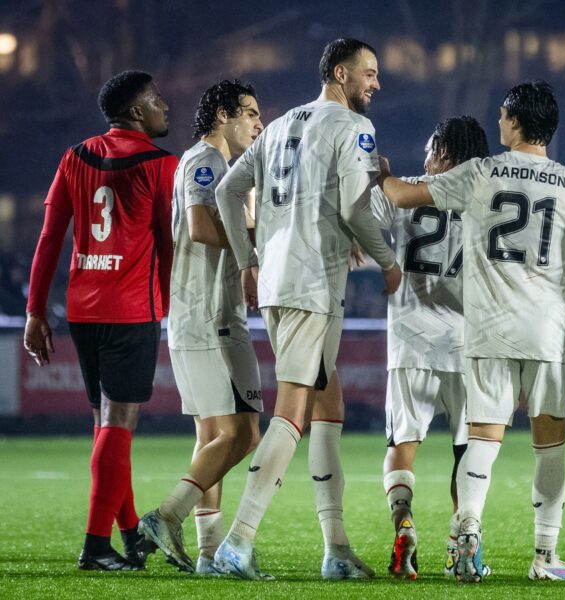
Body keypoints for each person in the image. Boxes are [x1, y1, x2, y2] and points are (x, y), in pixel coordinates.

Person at [380, 80, 565, 583]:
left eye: (503, 114)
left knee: (481, 440)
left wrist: (382, 175)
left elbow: (406, 194)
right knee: (550, 445)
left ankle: (467, 534)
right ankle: (545, 556)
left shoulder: (481, 172)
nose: (497, 121)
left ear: (518, 121)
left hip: (486, 333)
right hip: (547, 332)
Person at [212, 38, 402, 580]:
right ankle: (238, 542)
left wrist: (249, 260)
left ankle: (336, 547)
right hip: (311, 284)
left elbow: (230, 192)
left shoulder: (278, 126)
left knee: (328, 405)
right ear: (340, 74)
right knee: (292, 410)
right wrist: (388, 261)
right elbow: (356, 207)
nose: (376, 83)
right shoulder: (352, 128)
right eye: (369, 72)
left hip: (278, 278)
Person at [23, 70, 177, 570]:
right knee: (119, 424)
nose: (164, 106)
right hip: (131, 309)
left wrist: (34, 311)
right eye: (155, 100)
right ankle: (95, 545)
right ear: (136, 112)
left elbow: (50, 239)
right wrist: (174, 306)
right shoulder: (160, 164)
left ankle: (130, 535)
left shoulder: (76, 156)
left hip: (83, 309)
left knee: (106, 426)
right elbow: (168, 244)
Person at [137, 80, 264, 575]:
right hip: (210, 316)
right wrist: (261, 236)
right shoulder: (208, 161)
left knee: (214, 434)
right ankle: (167, 514)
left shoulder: (215, 163)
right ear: (221, 116)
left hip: (202, 312)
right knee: (244, 433)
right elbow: (200, 226)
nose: (258, 124)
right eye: (250, 113)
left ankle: (210, 553)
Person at [370, 116, 489, 579]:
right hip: (468, 345)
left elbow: (361, 216)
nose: (424, 159)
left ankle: (404, 525)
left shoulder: (406, 190)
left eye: (430, 149)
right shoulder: (486, 195)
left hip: (411, 343)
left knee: (402, 446)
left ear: (444, 151)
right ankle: (466, 543)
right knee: (469, 453)